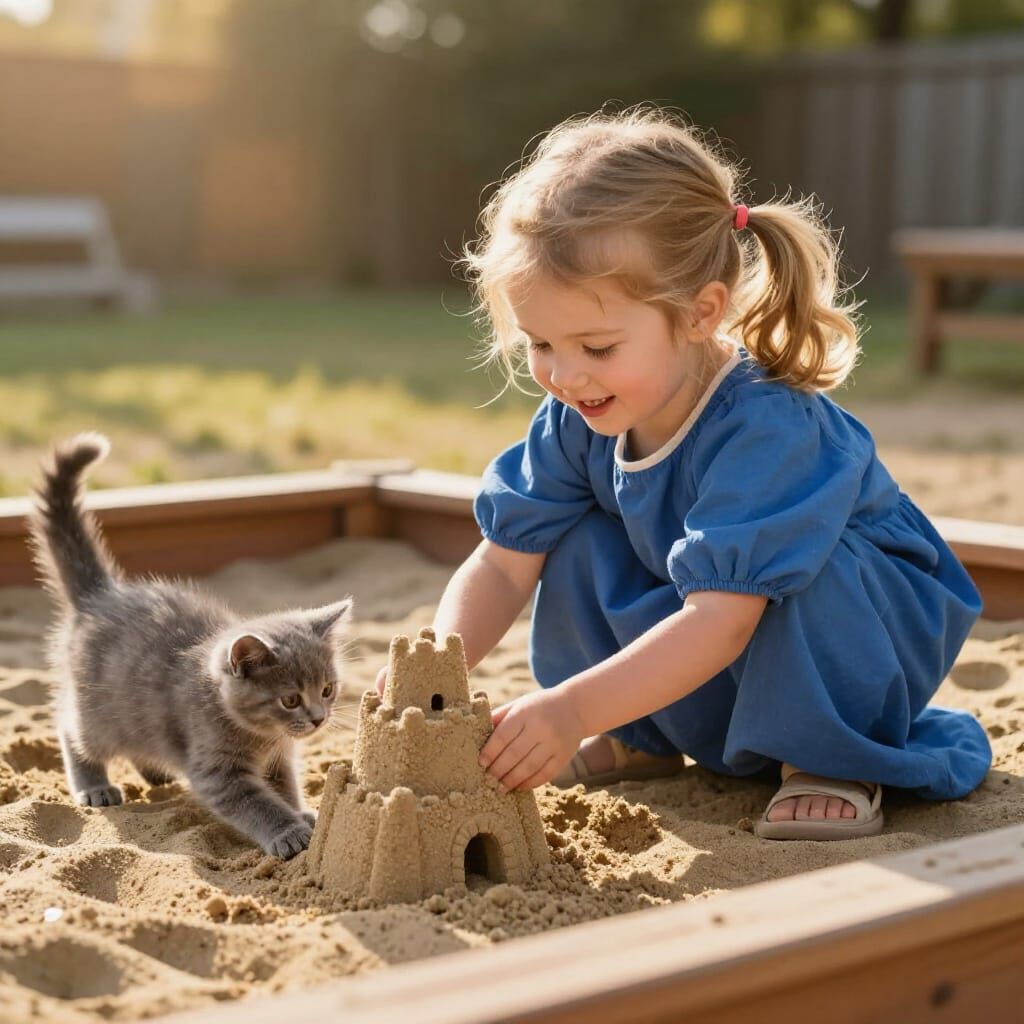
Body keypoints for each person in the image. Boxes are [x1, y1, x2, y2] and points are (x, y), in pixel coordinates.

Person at [386, 106, 991, 840]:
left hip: (855, 637)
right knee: (571, 534)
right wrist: (439, 670)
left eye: (598, 346)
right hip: (715, 629)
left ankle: (827, 758)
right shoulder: (579, 418)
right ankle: (640, 729)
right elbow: (503, 565)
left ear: (702, 312)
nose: (565, 375)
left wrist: (572, 710)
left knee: (803, 575)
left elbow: (722, 621)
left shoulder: (766, 426)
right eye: (541, 343)